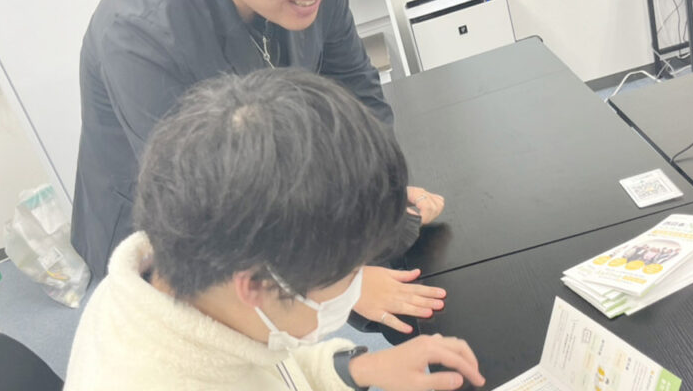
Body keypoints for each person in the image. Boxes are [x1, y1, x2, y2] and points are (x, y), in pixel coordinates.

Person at [72, 0, 444, 330]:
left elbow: (356, 90)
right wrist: (345, 282)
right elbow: (209, 211)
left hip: (252, 189)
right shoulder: (141, 31)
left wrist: (379, 200)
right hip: (163, 234)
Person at [65, 69, 484, 391]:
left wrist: (360, 368)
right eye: (352, 271)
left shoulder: (166, 285)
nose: (360, 283)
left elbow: (267, 359)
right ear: (256, 285)